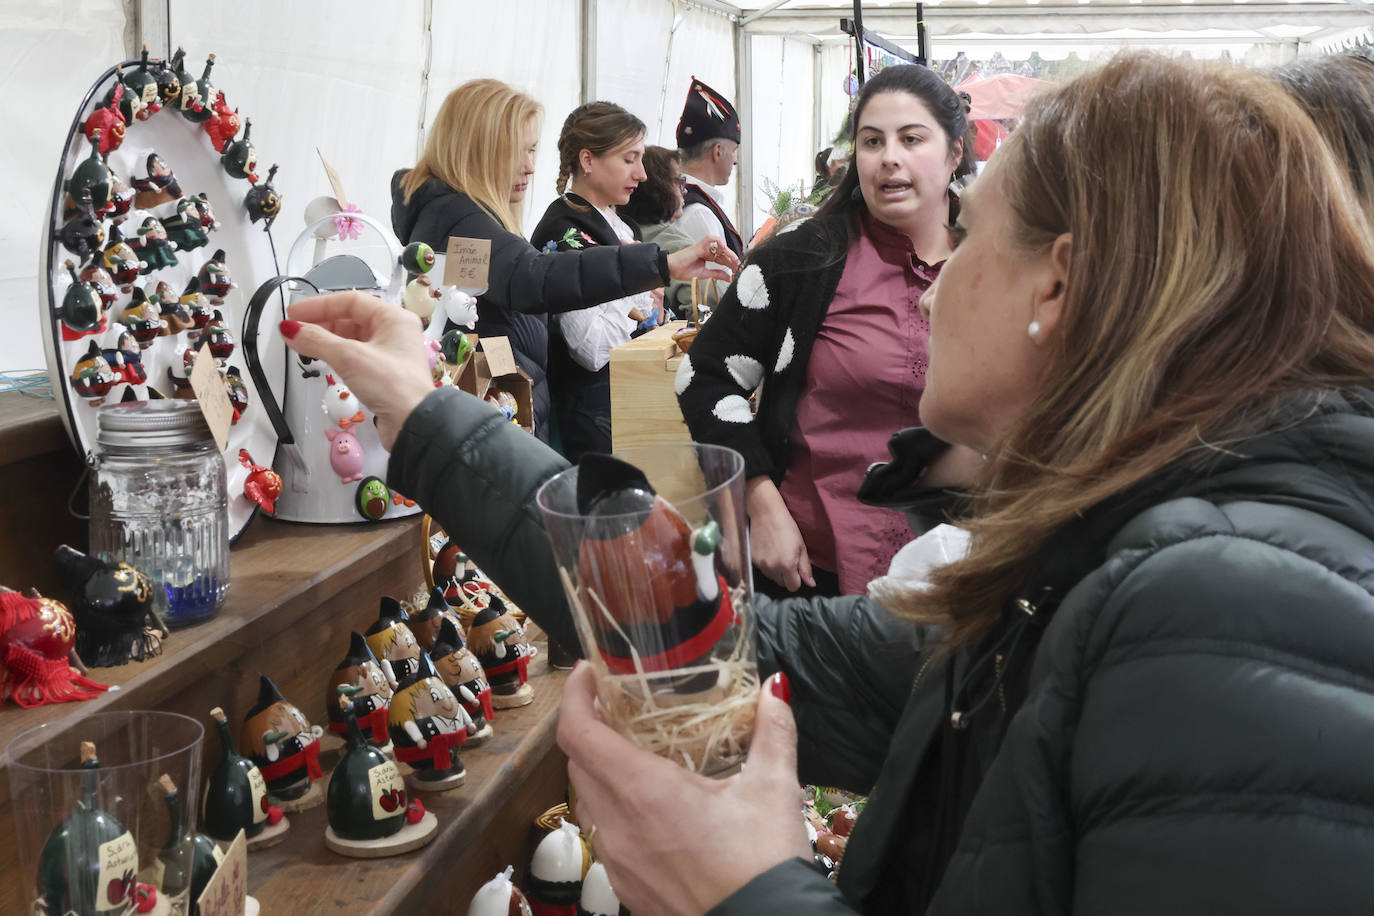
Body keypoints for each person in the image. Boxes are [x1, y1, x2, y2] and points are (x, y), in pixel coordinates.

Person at [283, 51, 1374, 914]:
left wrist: (744, 892)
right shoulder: (1081, 566)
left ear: (1061, 283)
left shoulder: (1220, 615)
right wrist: (425, 410)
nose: (935, 280)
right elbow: (715, 637)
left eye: (971, 236)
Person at [676, 64, 978, 599]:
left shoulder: (1000, 263)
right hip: (815, 573)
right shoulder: (801, 261)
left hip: (962, 573)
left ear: (955, 152)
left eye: (912, 138)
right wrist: (759, 497)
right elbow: (704, 379)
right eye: (871, 140)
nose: (889, 157)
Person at [390, 78, 738, 441]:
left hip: (514, 412)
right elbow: (535, 279)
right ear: (480, 149)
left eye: (533, 151)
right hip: (524, 422)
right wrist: (657, 267)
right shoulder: (465, 222)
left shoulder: (461, 217)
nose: (530, 167)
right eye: (519, 151)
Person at [528, 102, 662, 461]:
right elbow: (590, 350)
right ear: (588, 161)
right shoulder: (563, 235)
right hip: (593, 422)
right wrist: (635, 287)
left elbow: (645, 316)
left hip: (628, 408)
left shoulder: (624, 228)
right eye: (629, 159)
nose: (643, 174)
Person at [621, 145, 699, 320]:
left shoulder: (617, 231)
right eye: (679, 181)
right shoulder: (677, 245)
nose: (685, 190)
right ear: (656, 188)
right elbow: (706, 305)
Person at [676, 77, 744, 261]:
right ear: (718, 152)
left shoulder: (681, 198)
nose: (736, 160)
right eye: (734, 150)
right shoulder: (699, 214)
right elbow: (719, 287)